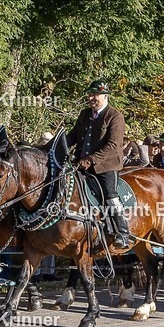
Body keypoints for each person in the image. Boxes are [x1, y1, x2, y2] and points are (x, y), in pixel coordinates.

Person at [65, 80, 130, 248]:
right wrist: (49, 147)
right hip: (80, 164)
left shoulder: (115, 116)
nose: (91, 98)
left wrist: (91, 159)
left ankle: (122, 233)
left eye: (95, 95)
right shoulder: (84, 114)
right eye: (90, 95)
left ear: (105, 96)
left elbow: (113, 145)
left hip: (106, 166)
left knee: (110, 195)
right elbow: (72, 137)